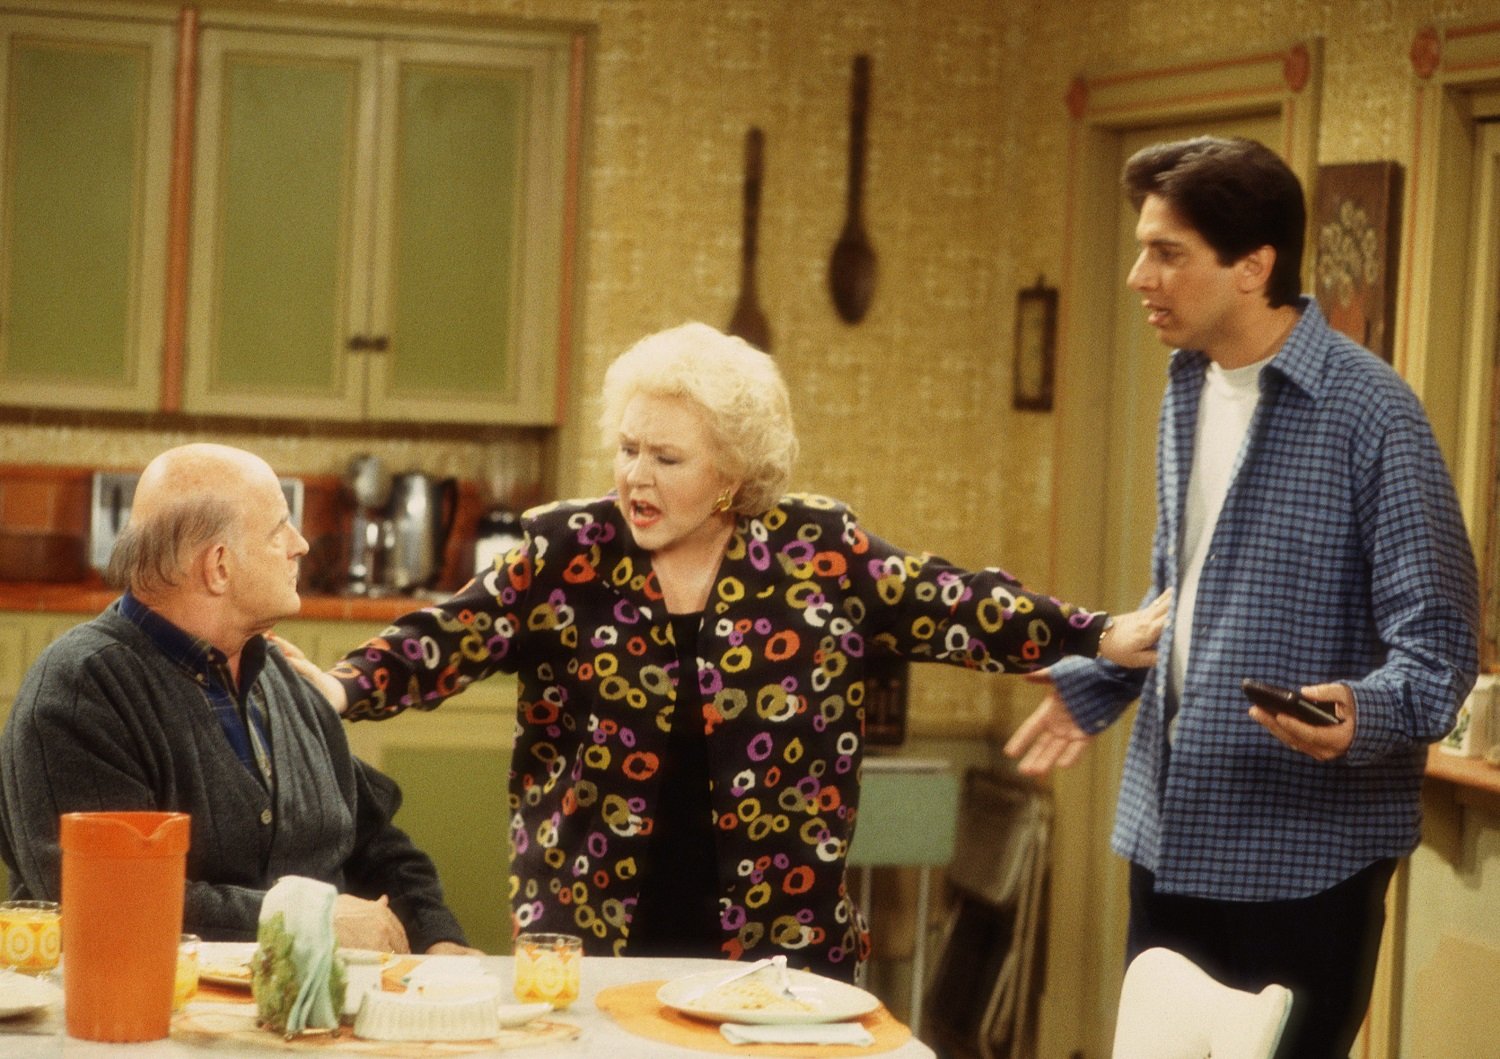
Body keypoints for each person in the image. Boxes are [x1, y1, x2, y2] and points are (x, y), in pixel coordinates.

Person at [286, 321, 1169, 981]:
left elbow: (951, 601)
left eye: (666, 457)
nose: (634, 475)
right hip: (593, 926)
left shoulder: (818, 551)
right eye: (627, 448)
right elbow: (450, 631)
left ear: (733, 477)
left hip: (779, 939)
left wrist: (1095, 633)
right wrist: (346, 686)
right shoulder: (568, 549)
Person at [1004, 137, 1479, 1058]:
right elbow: (1191, 596)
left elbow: (1440, 650)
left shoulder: (1373, 415)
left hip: (1303, 862)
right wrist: (1097, 675)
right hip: (1169, 835)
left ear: (1254, 265)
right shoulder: (1186, 385)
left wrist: (1357, 713)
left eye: (1168, 253)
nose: (1140, 275)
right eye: (1143, 248)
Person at [0, 444, 477, 956]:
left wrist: (438, 942)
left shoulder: (282, 676)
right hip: (145, 1024)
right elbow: (105, 901)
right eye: (279, 531)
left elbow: (375, 843)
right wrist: (299, 920)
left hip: (305, 1024)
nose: (301, 546)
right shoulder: (80, 691)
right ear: (220, 566)